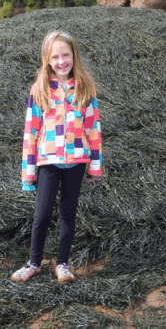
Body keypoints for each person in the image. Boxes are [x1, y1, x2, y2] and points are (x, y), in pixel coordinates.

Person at [11, 30, 102, 284]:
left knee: (67, 214)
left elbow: (93, 128)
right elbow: (31, 131)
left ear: (74, 55)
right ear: (47, 60)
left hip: (77, 161)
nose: (61, 61)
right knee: (41, 214)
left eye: (66, 55)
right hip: (47, 161)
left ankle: (63, 264)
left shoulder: (85, 87)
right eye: (55, 57)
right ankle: (33, 263)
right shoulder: (40, 89)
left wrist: (95, 165)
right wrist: (28, 173)